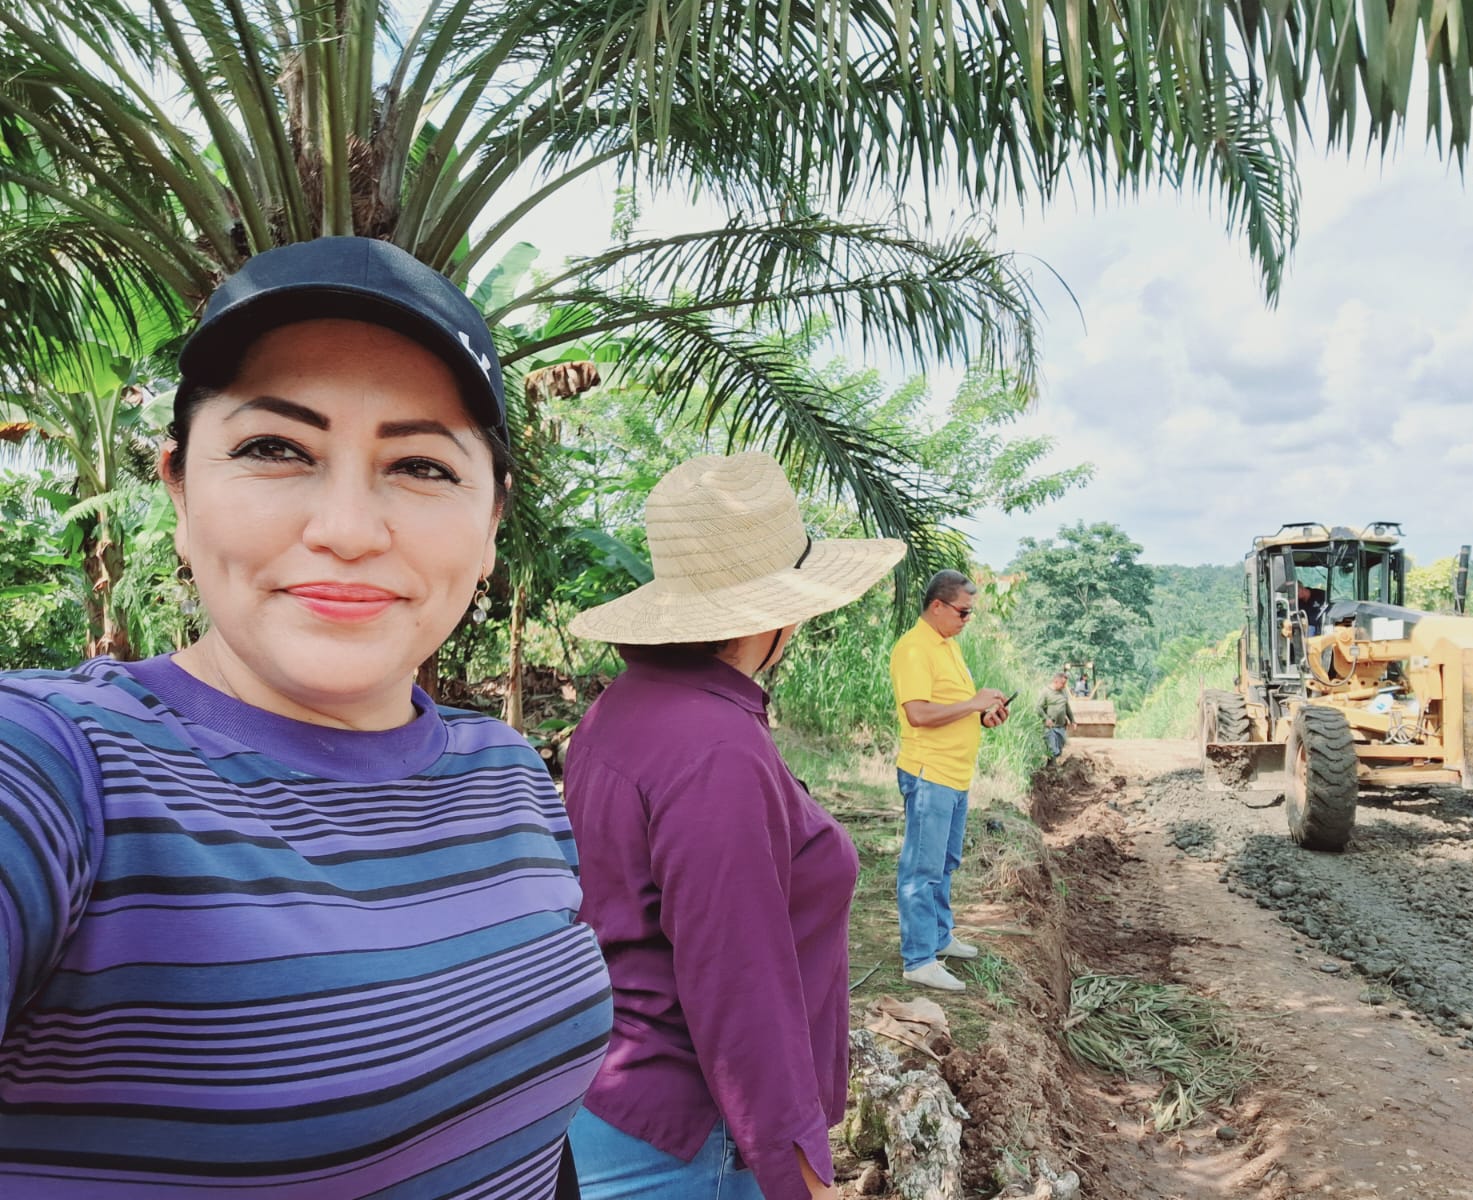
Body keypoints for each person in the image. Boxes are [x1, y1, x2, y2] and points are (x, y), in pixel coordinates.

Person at [0, 237, 612, 1198]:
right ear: (179, 488)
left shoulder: (505, 773)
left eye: (421, 465)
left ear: (492, 522)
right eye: (274, 449)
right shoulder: (60, 768)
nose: (348, 530)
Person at [561, 452, 904, 1200]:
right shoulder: (718, 749)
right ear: (781, 612)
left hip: (612, 1099)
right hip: (691, 1140)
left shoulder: (619, 709)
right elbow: (740, 989)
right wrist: (800, 1179)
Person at [889, 570, 1010, 992]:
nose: (967, 619)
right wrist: (973, 703)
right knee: (921, 868)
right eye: (962, 612)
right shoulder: (914, 649)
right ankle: (919, 959)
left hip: (955, 774)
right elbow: (918, 713)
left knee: (944, 863)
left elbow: (952, 708)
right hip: (930, 774)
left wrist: (983, 715)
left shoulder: (948, 647)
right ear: (937, 606)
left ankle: (939, 937)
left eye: (970, 613)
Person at [1037, 670, 1077, 761]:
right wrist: (1046, 718)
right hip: (1050, 727)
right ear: (1056, 681)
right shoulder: (1046, 692)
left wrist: (1073, 720)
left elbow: (1067, 707)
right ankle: (1052, 765)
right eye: (1062, 683)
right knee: (1053, 750)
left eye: (1065, 683)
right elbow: (1038, 707)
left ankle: (1053, 765)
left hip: (1061, 727)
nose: (1064, 686)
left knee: (1059, 750)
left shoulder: (1063, 692)